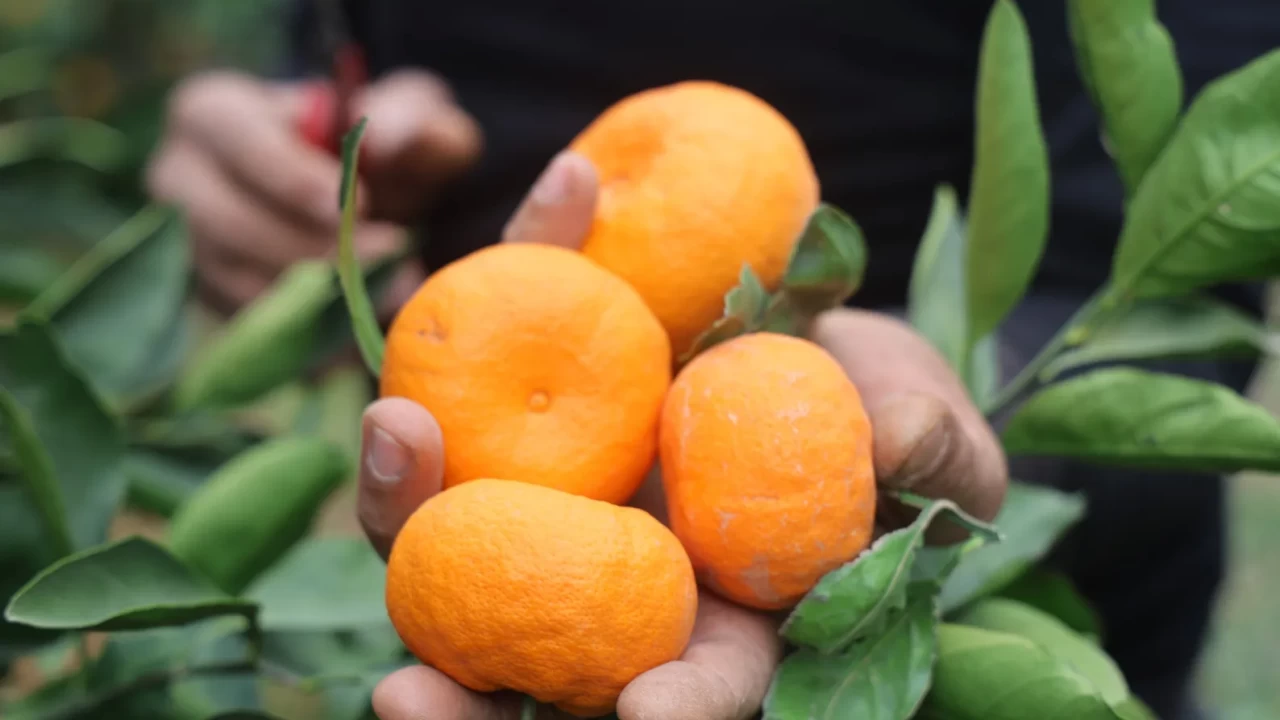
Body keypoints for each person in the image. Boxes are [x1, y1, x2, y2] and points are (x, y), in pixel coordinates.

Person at [145, 2, 1278, 718]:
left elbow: (1150, 282)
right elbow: (356, 37)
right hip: (502, 410)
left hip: (982, 552)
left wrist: (930, 442)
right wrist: (329, 133)